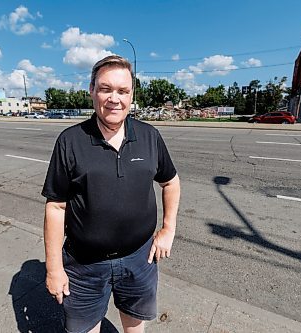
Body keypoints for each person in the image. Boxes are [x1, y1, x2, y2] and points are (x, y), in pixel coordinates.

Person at [42, 55, 180, 333]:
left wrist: (168, 229)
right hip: (84, 265)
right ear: (92, 90)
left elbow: (171, 182)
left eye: (123, 91)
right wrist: (54, 269)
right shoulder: (70, 141)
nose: (114, 99)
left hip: (140, 258)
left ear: (131, 96)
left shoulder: (149, 136)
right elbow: (56, 207)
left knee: (134, 324)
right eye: (105, 89)